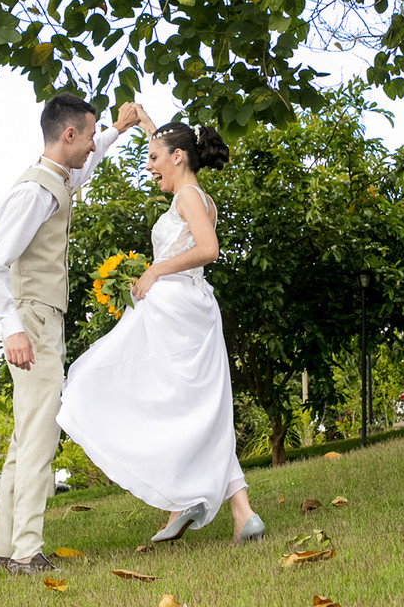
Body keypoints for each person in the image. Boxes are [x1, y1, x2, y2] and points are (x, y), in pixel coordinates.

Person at [57, 109, 264, 546]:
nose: (149, 166)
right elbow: (171, 144)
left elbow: (209, 248)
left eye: (154, 159)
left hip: (176, 310)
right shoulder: (190, 187)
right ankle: (239, 512)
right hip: (191, 310)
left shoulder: (188, 196)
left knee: (113, 384)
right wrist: (145, 125)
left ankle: (183, 500)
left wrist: (154, 271)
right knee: (194, 411)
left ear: (178, 158)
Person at [0, 94, 140, 575]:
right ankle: (26, 552)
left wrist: (117, 129)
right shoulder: (34, 192)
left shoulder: (57, 179)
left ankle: (3, 550)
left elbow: (86, 167)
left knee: (25, 437)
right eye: (88, 135)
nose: (92, 145)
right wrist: (13, 329)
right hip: (31, 320)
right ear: (68, 134)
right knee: (40, 438)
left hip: (42, 317)